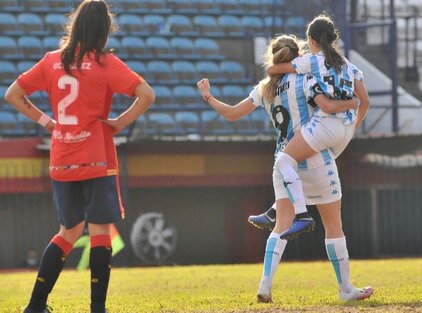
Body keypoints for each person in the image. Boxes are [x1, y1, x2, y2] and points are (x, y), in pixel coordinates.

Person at [4, 1, 155, 313]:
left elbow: (13, 94)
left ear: (74, 25)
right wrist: (118, 123)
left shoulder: (50, 61)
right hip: (96, 157)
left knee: (68, 232)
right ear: (103, 29)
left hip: (62, 157)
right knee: (100, 231)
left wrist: (47, 122)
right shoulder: (106, 63)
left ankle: (35, 305)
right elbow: (147, 95)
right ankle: (97, 308)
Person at [197, 34, 370, 303]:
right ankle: (345, 289)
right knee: (333, 224)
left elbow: (231, 114)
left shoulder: (264, 88)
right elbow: (327, 105)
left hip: (283, 161)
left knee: (280, 226)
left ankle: (265, 285)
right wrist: (351, 105)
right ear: (297, 55)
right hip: (313, 157)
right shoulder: (306, 79)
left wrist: (208, 97)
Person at [257, 13, 370, 241]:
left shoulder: (312, 60)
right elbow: (365, 101)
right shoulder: (349, 65)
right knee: (303, 165)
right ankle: (274, 210)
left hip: (325, 126)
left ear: (311, 40)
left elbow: (272, 71)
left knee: (285, 162)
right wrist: (353, 124)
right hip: (346, 131)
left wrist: (287, 68)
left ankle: (301, 215)